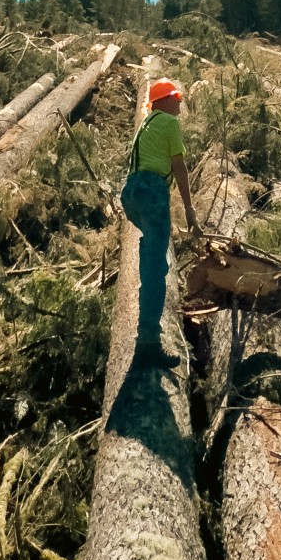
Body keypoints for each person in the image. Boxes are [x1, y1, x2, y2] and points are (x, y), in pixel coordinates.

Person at [120, 77, 198, 365]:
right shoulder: (168, 122)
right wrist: (189, 210)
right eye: (175, 98)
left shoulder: (147, 123)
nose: (179, 102)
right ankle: (148, 344)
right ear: (163, 101)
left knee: (151, 258)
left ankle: (147, 331)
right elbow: (179, 166)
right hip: (152, 192)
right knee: (155, 270)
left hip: (131, 193)